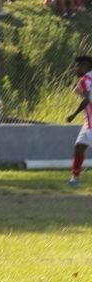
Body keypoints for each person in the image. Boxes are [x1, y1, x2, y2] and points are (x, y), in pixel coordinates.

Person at [65, 55, 92, 188]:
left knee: (79, 147)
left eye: (79, 66)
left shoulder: (84, 80)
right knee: (79, 147)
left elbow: (87, 99)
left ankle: (75, 178)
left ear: (86, 67)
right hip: (88, 122)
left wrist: (73, 115)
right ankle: (75, 178)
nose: (76, 69)